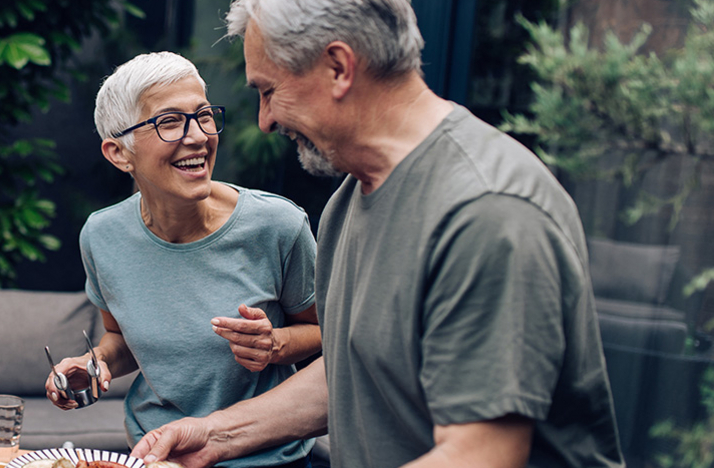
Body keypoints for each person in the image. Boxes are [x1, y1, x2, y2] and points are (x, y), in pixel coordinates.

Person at [129, 1, 626, 467]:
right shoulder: (350, 198)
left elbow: (481, 453)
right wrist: (214, 435)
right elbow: (353, 372)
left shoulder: (486, 211)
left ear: (339, 68)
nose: (265, 120)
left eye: (268, 90)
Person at [44, 51, 324, 468]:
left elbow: (329, 335)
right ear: (119, 153)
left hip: (267, 459)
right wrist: (96, 362)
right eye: (169, 121)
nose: (197, 136)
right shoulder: (102, 236)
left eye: (204, 116)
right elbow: (123, 341)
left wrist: (277, 345)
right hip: (153, 455)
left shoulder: (277, 225)